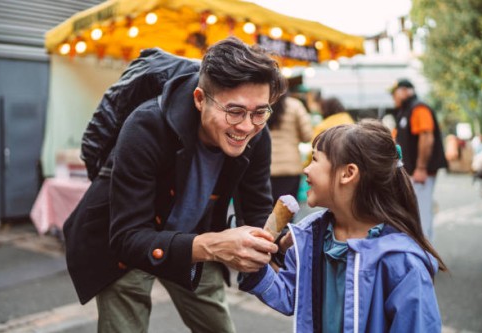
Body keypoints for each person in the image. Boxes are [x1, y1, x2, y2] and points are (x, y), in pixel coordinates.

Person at [63, 36, 287, 332]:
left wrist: (281, 245)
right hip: (124, 244)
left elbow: (258, 206)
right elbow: (128, 237)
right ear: (199, 99)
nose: (247, 126)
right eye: (234, 111)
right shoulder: (146, 126)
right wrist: (213, 246)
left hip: (194, 235)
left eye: (260, 111)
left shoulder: (257, 135)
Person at [239, 120, 447, 332]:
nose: (306, 169)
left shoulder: (401, 261)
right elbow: (291, 295)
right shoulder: (310, 237)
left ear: (348, 173)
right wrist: (254, 266)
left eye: (315, 159)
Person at [390, 78, 447, 242]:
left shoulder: (418, 108)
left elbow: (426, 136)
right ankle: (427, 257)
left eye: (395, 93)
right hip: (413, 172)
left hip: (420, 172)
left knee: (420, 215)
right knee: (420, 213)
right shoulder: (406, 110)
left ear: (405, 91)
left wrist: (421, 168)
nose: (393, 97)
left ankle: (425, 258)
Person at [267, 93, 312, 202]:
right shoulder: (295, 106)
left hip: (266, 166)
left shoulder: (263, 105)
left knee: (265, 210)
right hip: (290, 167)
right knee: (287, 210)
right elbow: (307, 135)